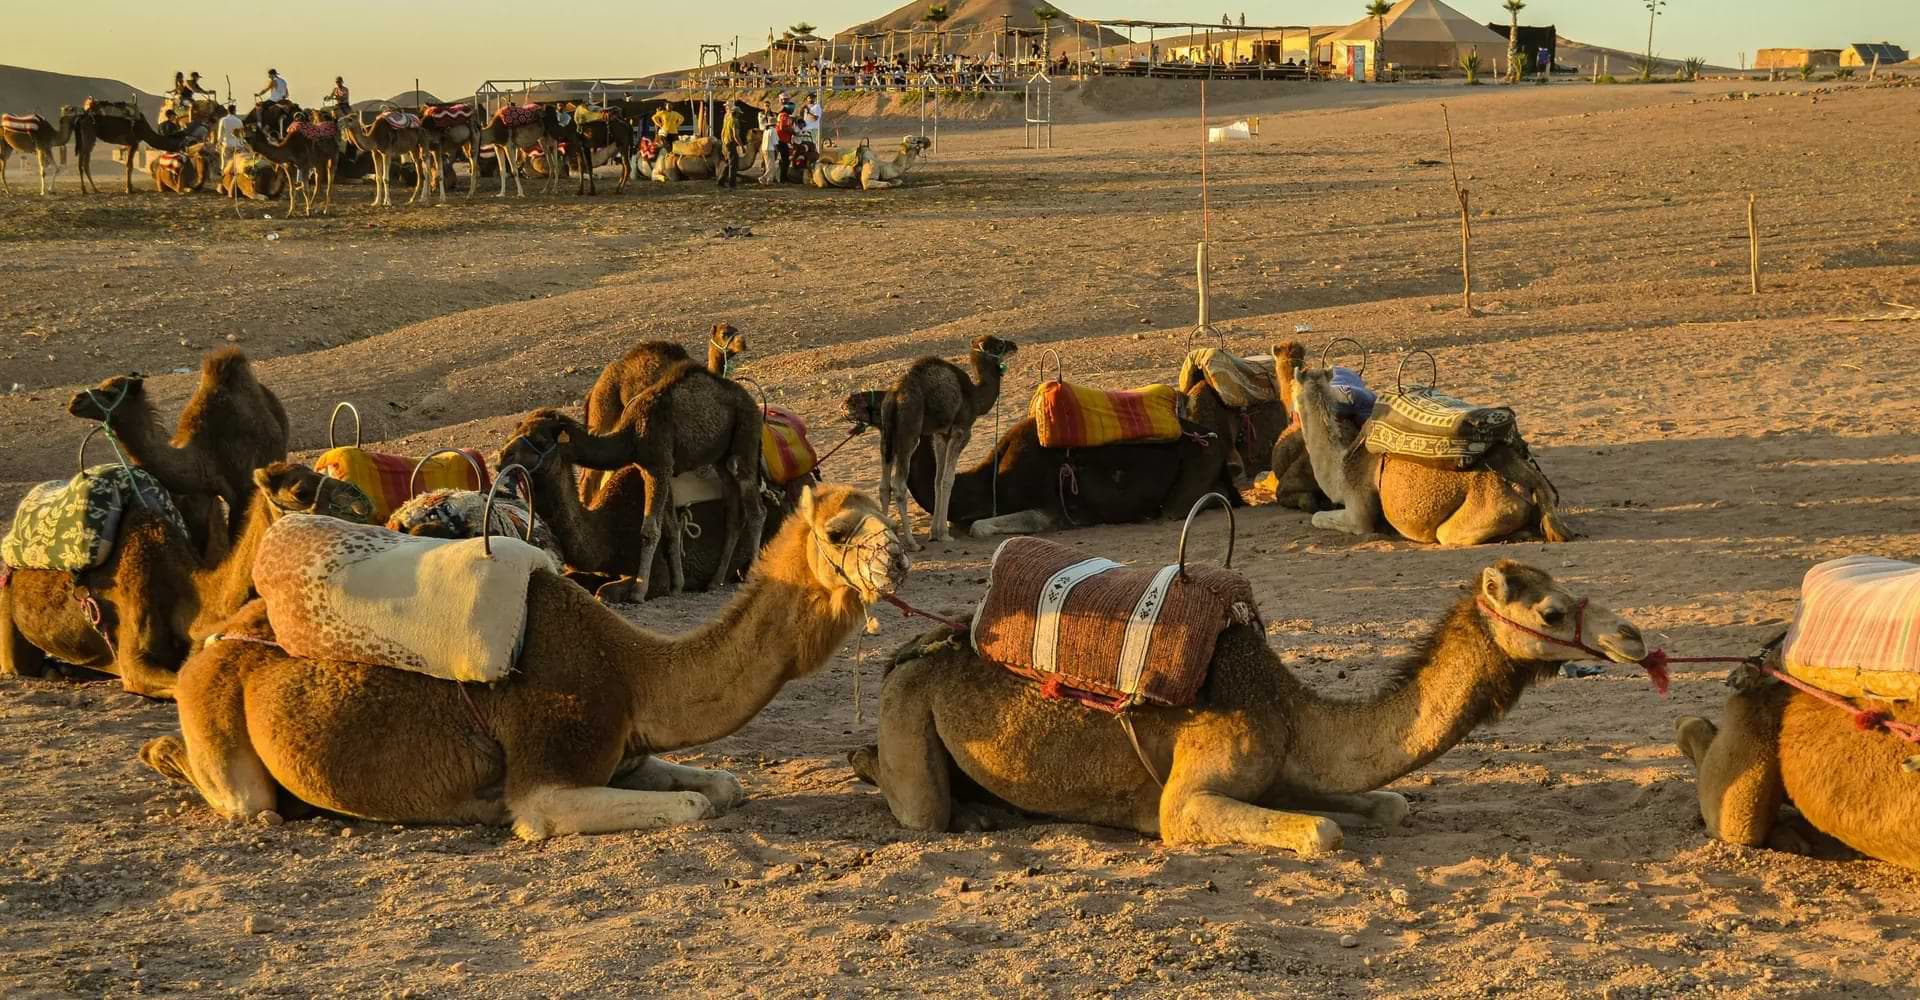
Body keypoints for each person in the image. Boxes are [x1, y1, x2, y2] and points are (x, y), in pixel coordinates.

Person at [718, 99, 754, 189]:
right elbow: (735, 136)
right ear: (736, 113)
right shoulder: (735, 121)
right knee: (733, 165)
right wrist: (742, 146)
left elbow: (722, 133)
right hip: (731, 143)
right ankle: (732, 184)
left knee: (729, 163)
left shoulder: (727, 120)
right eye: (739, 113)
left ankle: (721, 180)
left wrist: (723, 143)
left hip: (726, 142)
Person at [214, 102, 246, 170]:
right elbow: (242, 135)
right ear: (234, 111)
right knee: (237, 165)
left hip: (227, 145)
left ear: (228, 111)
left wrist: (218, 143)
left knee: (225, 164)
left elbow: (220, 134)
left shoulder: (223, 120)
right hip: (238, 145)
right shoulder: (239, 121)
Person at [773, 107, 795, 183]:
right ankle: (782, 178)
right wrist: (792, 131)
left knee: (785, 159)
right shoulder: (784, 115)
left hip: (783, 140)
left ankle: (783, 177)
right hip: (781, 140)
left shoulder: (785, 116)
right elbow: (782, 127)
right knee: (785, 160)